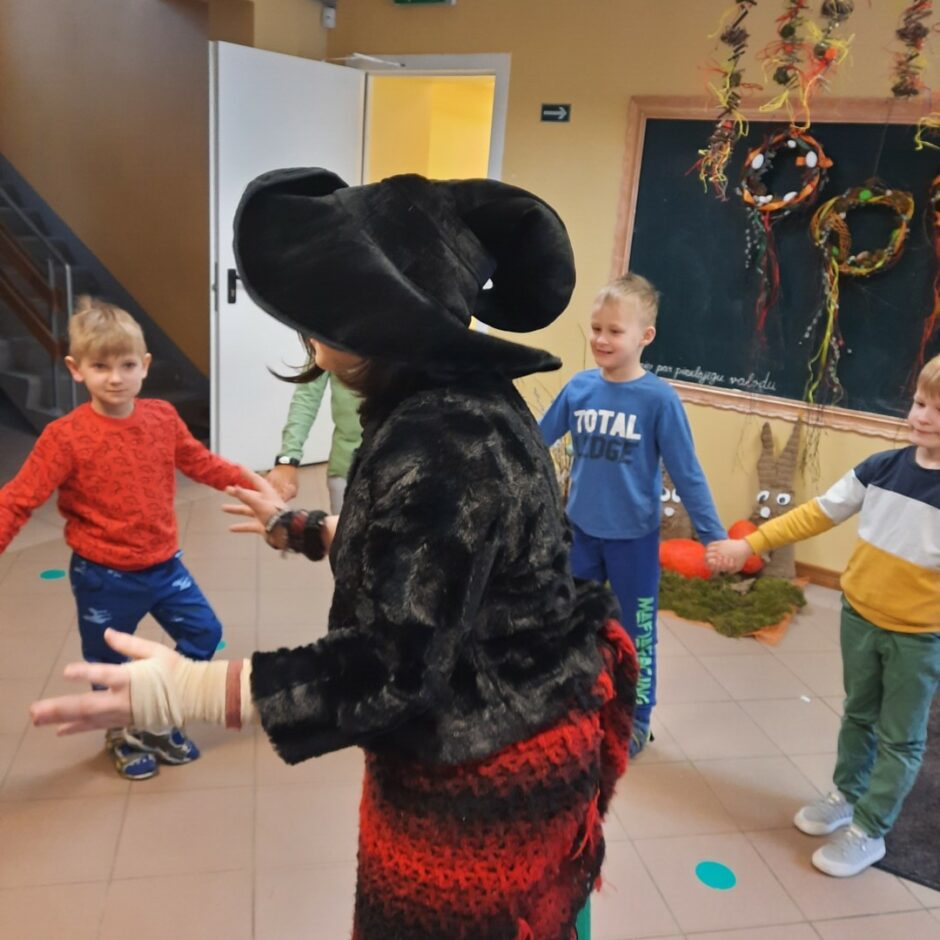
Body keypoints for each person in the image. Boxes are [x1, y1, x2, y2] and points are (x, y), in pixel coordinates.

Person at [30, 169, 638, 940]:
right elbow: (443, 570)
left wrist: (193, 689)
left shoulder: (442, 438)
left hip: (486, 790)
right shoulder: (456, 404)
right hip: (523, 739)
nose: (310, 331)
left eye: (325, 308)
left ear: (380, 320)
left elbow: (395, 665)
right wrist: (310, 529)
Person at [706, 354, 940, 878]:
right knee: (858, 715)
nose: (920, 416)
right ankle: (846, 796)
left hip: (920, 639)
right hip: (860, 618)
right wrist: (751, 544)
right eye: (919, 402)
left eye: (937, 410)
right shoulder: (881, 468)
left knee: (900, 737)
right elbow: (818, 513)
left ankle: (870, 830)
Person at [1, 297, 252, 780]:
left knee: (204, 633)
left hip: (164, 566)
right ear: (76, 369)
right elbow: (16, 501)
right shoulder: (64, 437)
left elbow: (200, 463)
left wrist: (250, 481)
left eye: (127, 365)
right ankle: (119, 730)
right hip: (103, 577)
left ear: (145, 365)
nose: (115, 378)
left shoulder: (162, 418)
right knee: (108, 661)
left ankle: (157, 713)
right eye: (100, 366)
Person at [540, 273, 726, 756]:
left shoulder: (658, 400)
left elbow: (687, 473)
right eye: (596, 328)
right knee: (569, 622)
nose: (601, 339)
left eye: (614, 331)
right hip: (580, 535)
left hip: (633, 543)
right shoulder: (579, 389)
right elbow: (535, 442)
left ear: (645, 336)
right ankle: (569, 704)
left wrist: (713, 536)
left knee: (636, 634)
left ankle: (637, 718)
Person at [267, 368, 361, 512]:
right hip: (347, 467)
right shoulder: (329, 353)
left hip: (395, 465)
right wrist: (288, 459)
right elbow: (307, 396)